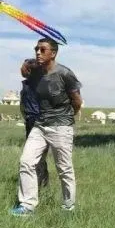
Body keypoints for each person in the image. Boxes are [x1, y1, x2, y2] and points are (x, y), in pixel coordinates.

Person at [11, 38, 82, 216]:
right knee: (26, 162)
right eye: (36, 49)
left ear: (53, 53)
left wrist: (65, 119)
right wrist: (25, 63)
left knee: (64, 168)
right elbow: (24, 70)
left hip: (60, 126)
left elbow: (77, 101)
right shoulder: (37, 71)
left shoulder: (65, 74)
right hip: (40, 125)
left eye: (43, 50)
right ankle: (27, 206)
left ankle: (68, 207)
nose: (38, 52)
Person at [19, 58, 49, 188]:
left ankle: (39, 185)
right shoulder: (27, 83)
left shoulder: (40, 83)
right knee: (37, 157)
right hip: (30, 121)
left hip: (39, 121)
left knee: (36, 157)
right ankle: (41, 184)